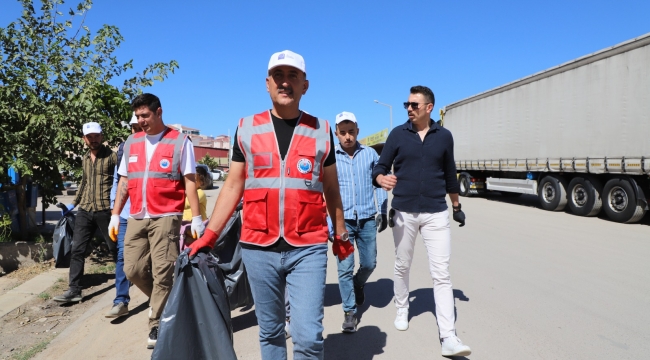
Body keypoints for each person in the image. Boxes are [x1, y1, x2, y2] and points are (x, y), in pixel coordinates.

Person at [188, 50, 352, 360]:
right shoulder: (246, 128)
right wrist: (210, 234)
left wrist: (340, 233)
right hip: (257, 246)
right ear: (267, 84)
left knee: (307, 335)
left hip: (308, 245)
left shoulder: (322, 130)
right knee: (271, 331)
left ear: (305, 85)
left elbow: (330, 186)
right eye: (279, 76)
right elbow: (234, 184)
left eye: (293, 76)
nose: (285, 83)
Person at [372, 85, 471, 357]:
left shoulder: (444, 136)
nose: (409, 108)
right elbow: (380, 167)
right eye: (407, 104)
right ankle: (402, 307)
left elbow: (450, 173)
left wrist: (456, 205)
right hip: (403, 211)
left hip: (436, 212)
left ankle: (449, 337)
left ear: (429, 107)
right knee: (403, 264)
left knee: (441, 273)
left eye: (414, 104)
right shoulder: (397, 135)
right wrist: (381, 178)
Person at [109, 93, 205, 349]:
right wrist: (115, 214)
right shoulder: (131, 142)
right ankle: (169, 302)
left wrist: (196, 218)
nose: (141, 121)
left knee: (163, 272)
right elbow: (125, 182)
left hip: (166, 215)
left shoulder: (179, 142)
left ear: (159, 112)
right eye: (138, 116)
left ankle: (157, 321)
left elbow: (189, 181)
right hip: (137, 215)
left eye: (145, 115)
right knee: (133, 269)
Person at [333, 111, 388, 333]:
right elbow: (326, 191)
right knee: (344, 268)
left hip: (366, 219)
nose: (348, 136)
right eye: (343, 132)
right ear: (336, 133)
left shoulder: (371, 155)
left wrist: (383, 211)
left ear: (358, 131)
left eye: (351, 132)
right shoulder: (331, 158)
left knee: (369, 264)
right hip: (342, 222)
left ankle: (358, 284)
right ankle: (349, 312)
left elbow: (380, 182)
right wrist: (330, 223)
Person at [53, 122, 117, 303]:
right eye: (90, 137)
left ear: (102, 136)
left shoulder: (112, 157)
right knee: (77, 249)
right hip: (86, 210)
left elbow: (122, 181)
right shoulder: (85, 159)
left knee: (114, 249)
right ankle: (74, 290)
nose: (94, 139)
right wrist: (73, 205)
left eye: (96, 136)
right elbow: (84, 183)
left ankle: (125, 283)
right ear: (84, 139)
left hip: (106, 210)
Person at [105, 114, 143, 318]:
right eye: (133, 128)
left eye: (140, 127)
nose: (136, 131)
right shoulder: (124, 149)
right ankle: (120, 300)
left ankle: (158, 299)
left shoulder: (155, 148)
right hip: (127, 214)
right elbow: (117, 183)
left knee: (149, 259)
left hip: (148, 215)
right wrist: (115, 213)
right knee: (122, 256)